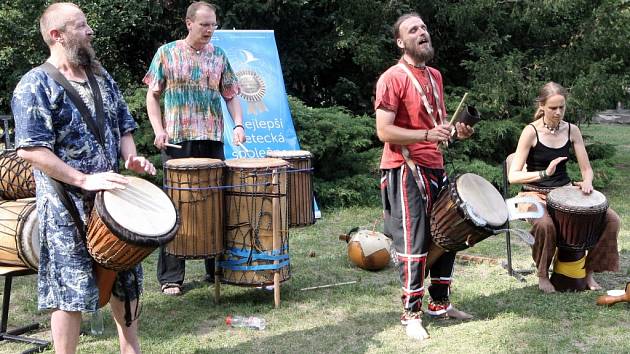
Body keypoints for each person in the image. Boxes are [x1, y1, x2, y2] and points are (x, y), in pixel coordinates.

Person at [11, 3, 155, 353]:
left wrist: (130, 156)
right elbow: (31, 150)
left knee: (125, 279)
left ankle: (130, 349)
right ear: (57, 35)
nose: (90, 30)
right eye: (81, 25)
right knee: (69, 288)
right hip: (66, 208)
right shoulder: (34, 85)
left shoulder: (101, 76)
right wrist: (82, 179)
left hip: (113, 201)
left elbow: (123, 125)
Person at [374, 13, 475, 341]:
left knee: (450, 234)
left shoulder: (435, 76)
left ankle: (439, 304)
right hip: (404, 168)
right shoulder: (392, 78)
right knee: (415, 242)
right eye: (413, 30)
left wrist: (456, 131)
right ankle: (411, 313)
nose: (422, 33)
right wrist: (426, 135)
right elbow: (383, 130)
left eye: (424, 28)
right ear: (401, 42)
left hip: (435, 165)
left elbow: (436, 125)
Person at [143, 1, 244, 296]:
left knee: (215, 203)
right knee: (175, 206)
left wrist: (238, 124)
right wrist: (159, 130)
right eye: (204, 24)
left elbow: (231, 95)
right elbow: (152, 96)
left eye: (213, 24)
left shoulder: (220, 56)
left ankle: (218, 268)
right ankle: (172, 276)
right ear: (189, 23)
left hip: (212, 139)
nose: (210, 30)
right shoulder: (166, 53)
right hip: (177, 139)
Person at [508, 81, 620, 293]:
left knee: (611, 219)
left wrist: (587, 181)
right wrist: (544, 173)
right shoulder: (530, 132)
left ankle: (588, 272)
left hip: (564, 192)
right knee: (545, 226)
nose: (558, 112)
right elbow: (513, 175)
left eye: (562, 107)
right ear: (542, 106)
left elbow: (586, 169)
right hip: (531, 195)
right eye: (553, 108)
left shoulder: (572, 130)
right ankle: (542, 274)